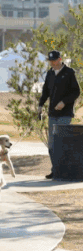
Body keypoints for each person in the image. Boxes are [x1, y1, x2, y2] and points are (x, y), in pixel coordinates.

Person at [39, 50, 81, 179]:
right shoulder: (50, 74)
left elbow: (76, 92)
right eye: (50, 61)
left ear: (60, 59)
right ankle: (55, 169)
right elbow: (45, 91)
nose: (52, 63)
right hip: (52, 113)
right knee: (52, 144)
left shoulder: (69, 73)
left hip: (65, 113)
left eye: (54, 60)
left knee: (61, 142)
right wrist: (40, 105)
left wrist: (64, 102)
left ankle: (62, 170)